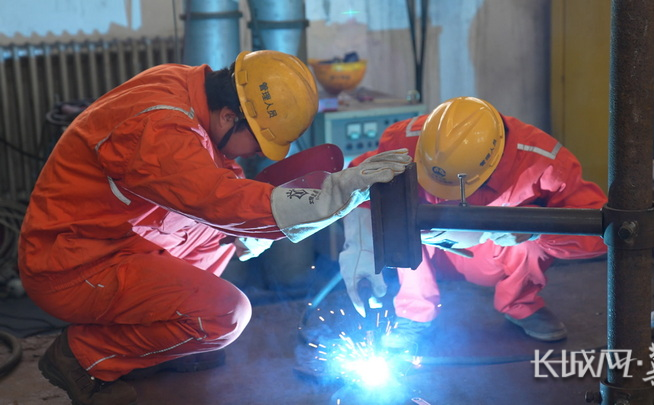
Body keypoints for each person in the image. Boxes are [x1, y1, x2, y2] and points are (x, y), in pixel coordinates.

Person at [18, 49, 411, 405]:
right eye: (258, 142)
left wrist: (244, 229)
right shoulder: (158, 127)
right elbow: (217, 198)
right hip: (71, 266)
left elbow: (210, 173)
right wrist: (335, 194)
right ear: (229, 117)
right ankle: (83, 355)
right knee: (225, 315)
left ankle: (154, 345)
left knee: (225, 237)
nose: (257, 153)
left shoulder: (186, 88)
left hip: (112, 235)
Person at [339, 96, 607, 348]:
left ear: (493, 161)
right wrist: (360, 245)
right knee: (399, 217)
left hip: (493, 256)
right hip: (429, 252)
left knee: (532, 237)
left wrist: (535, 229)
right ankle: (414, 313)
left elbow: (601, 231)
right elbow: (358, 187)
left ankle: (519, 304)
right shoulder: (404, 141)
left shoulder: (543, 161)